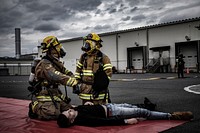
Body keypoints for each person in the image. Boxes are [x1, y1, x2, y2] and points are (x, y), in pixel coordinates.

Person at [28, 36, 79, 120]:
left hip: (55, 93)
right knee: (53, 115)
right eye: (58, 46)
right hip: (46, 93)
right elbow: (54, 75)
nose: (60, 48)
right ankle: (35, 107)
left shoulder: (56, 62)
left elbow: (67, 72)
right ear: (52, 49)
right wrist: (72, 82)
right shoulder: (45, 63)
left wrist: (74, 79)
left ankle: (53, 106)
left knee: (68, 109)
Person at [57, 101, 193, 127]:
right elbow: (103, 122)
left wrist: (85, 104)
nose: (70, 111)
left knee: (133, 106)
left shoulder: (77, 110)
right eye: (69, 114)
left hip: (110, 105)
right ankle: (171, 115)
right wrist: (125, 122)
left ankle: (150, 107)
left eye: (67, 110)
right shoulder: (84, 119)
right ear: (72, 121)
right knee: (142, 112)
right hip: (113, 112)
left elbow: (80, 107)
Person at [74, 33, 112, 105]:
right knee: (86, 112)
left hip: (99, 93)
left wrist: (99, 87)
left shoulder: (103, 58)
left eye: (90, 42)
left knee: (99, 112)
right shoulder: (83, 57)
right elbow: (78, 71)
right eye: (86, 42)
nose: (87, 44)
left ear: (96, 44)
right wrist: (77, 84)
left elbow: (108, 74)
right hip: (85, 91)